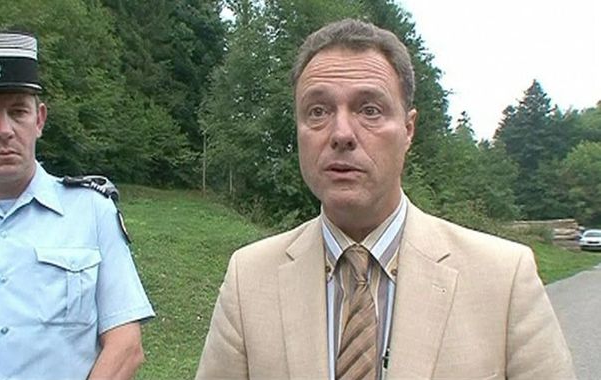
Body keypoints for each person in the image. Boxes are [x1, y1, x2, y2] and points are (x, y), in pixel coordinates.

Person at [196, 19, 575, 380]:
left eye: (369, 110)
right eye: (318, 111)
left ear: (408, 129)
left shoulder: (504, 278)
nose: (341, 133)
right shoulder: (248, 280)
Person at [0, 30, 154, 379]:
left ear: (39, 119)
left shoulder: (91, 213)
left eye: (18, 112)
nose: (4, 130)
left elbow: (125, 345)